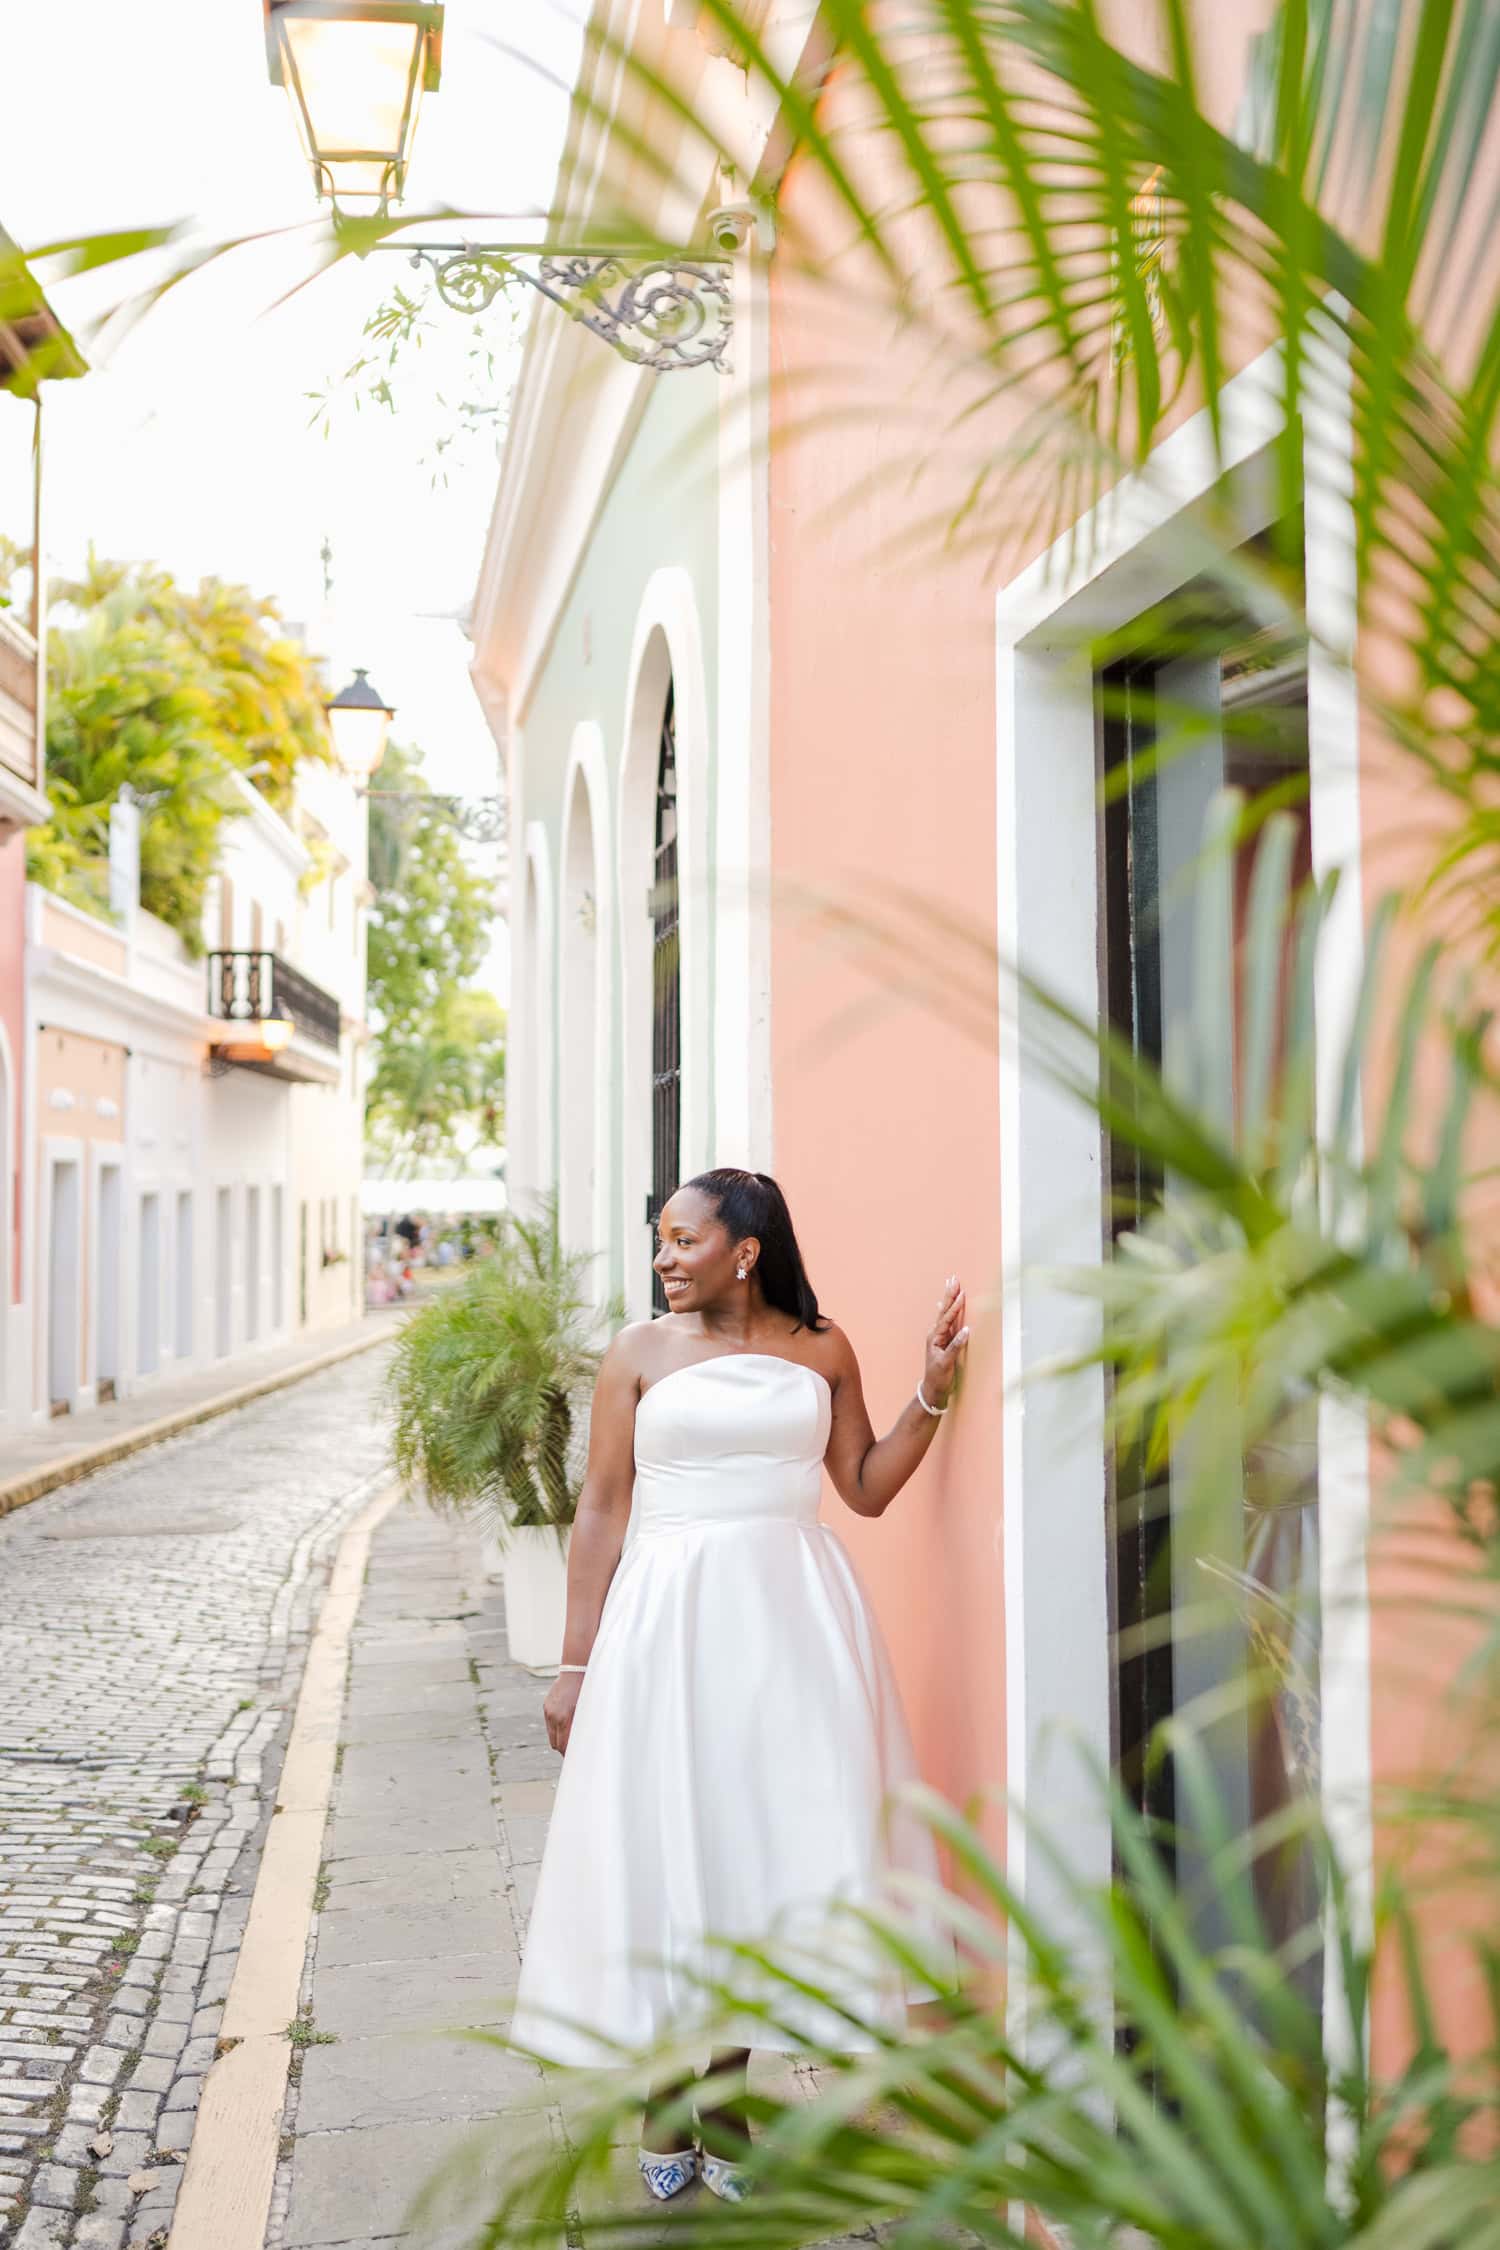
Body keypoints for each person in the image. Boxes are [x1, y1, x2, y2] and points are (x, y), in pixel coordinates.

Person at [509, 1167, 968, 2203]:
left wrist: (931, 1394)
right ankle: (681, 2098)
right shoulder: (637, 1354)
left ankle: (729, 2084)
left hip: (795, 1626)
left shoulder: (823, 1348)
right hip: (668, 1625)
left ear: (746, 1250)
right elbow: (599, 1513)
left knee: (769, 1848)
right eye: (661, 1243)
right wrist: (572, 1663)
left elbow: (864, 1487)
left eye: (684, 1240)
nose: (666, 1259)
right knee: (678, 1843)